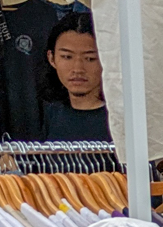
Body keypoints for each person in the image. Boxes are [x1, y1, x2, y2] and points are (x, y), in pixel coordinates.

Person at [39, 12, 111, 142]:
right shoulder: (51, 113)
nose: (78, 69)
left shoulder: (121, 119)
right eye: (67, 57)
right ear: (51, 58)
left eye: (90, 58)